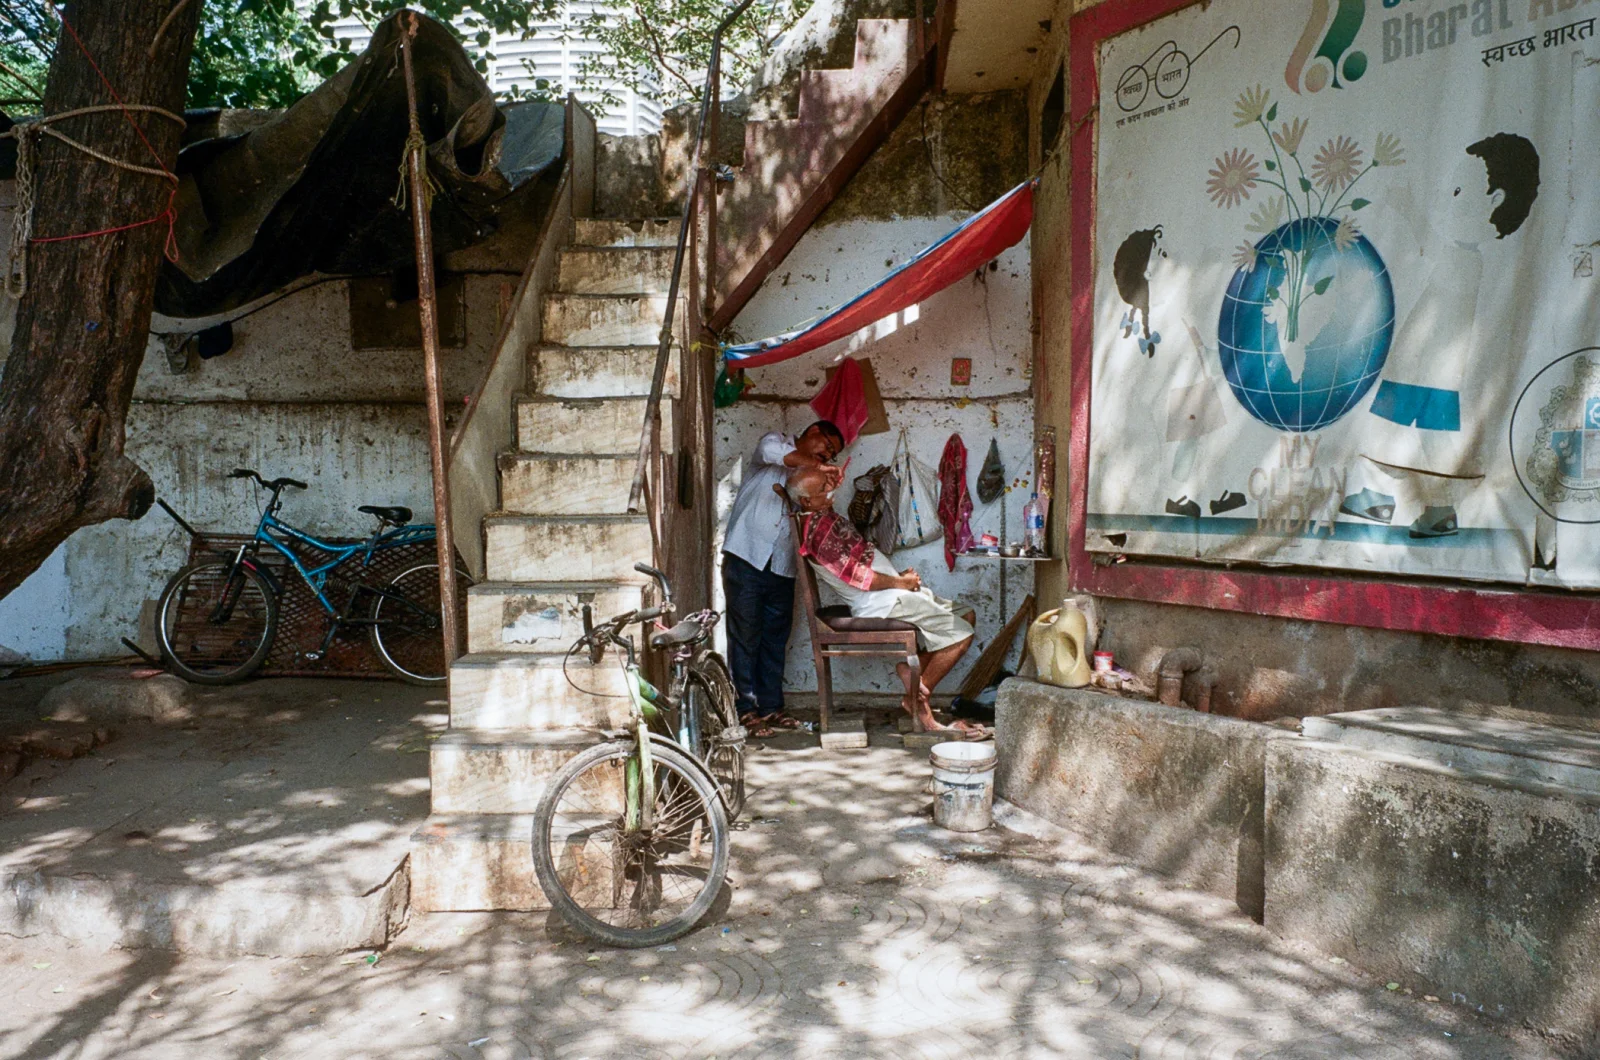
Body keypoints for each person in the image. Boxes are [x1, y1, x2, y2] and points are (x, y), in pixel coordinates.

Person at [786, 466, 987, 739]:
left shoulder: (824, 516)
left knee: (966, 615)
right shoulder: (820, 533)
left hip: (890, 592)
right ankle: (918, 702)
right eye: (822, 488)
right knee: (961, 634)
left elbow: (862, 564)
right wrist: (901, 583)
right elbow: (860, 578)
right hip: (880, 602)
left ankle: (913, 684)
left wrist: (897, 577)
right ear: (807, 501)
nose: (830, 490)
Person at [721, 421, 845, 737]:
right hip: (746, 556)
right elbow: (773, 453)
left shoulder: (814, 473)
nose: (827, 455)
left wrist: (825, 483)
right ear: (813, 431)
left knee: (776, 638)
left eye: (832, 454)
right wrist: (820, 466)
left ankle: (772, 708)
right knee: (745, 635)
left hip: (782, 565)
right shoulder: (774, 442)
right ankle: (745, 711)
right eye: (827, 446)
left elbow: (816, 513)